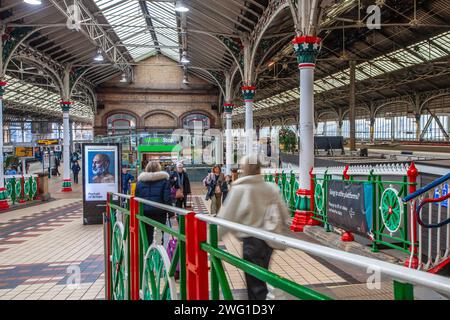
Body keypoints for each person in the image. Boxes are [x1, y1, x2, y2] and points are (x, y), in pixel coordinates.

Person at [217, 156, 291, 300]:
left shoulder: (239, 189)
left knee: (255, 285)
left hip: (251, 242)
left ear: (244, 169)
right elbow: (284, 214)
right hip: (269, 241)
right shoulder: (271, 187)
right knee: (261, 276)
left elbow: (226, 216)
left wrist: (215, 237)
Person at [135, 161, 172, 245]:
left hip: (144, 212)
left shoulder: (140, 182)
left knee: (147, 235)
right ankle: (158, 255)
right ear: (158, 168)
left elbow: (137, 198)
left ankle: (148, 254)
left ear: (147, 168)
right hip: (159, 212)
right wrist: (171, 212)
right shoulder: (164, 181)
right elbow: (167, 198)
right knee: (159, 235)